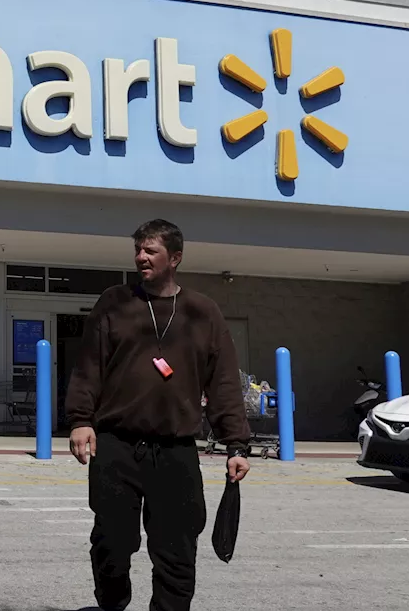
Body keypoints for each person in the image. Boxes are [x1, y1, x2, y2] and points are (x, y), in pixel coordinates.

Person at [65, 219, 251, 611]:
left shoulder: (203, 312)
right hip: (116, 444)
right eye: (138, 250)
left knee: (177, 547)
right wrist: (81, 419)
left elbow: (223, 383)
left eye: (151, 251)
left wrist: (236, 443)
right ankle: (112, 603)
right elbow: (89, 366)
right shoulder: (115, 302)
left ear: (176, 258)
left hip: (175, 449)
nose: (141, 258)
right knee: (112, 542)